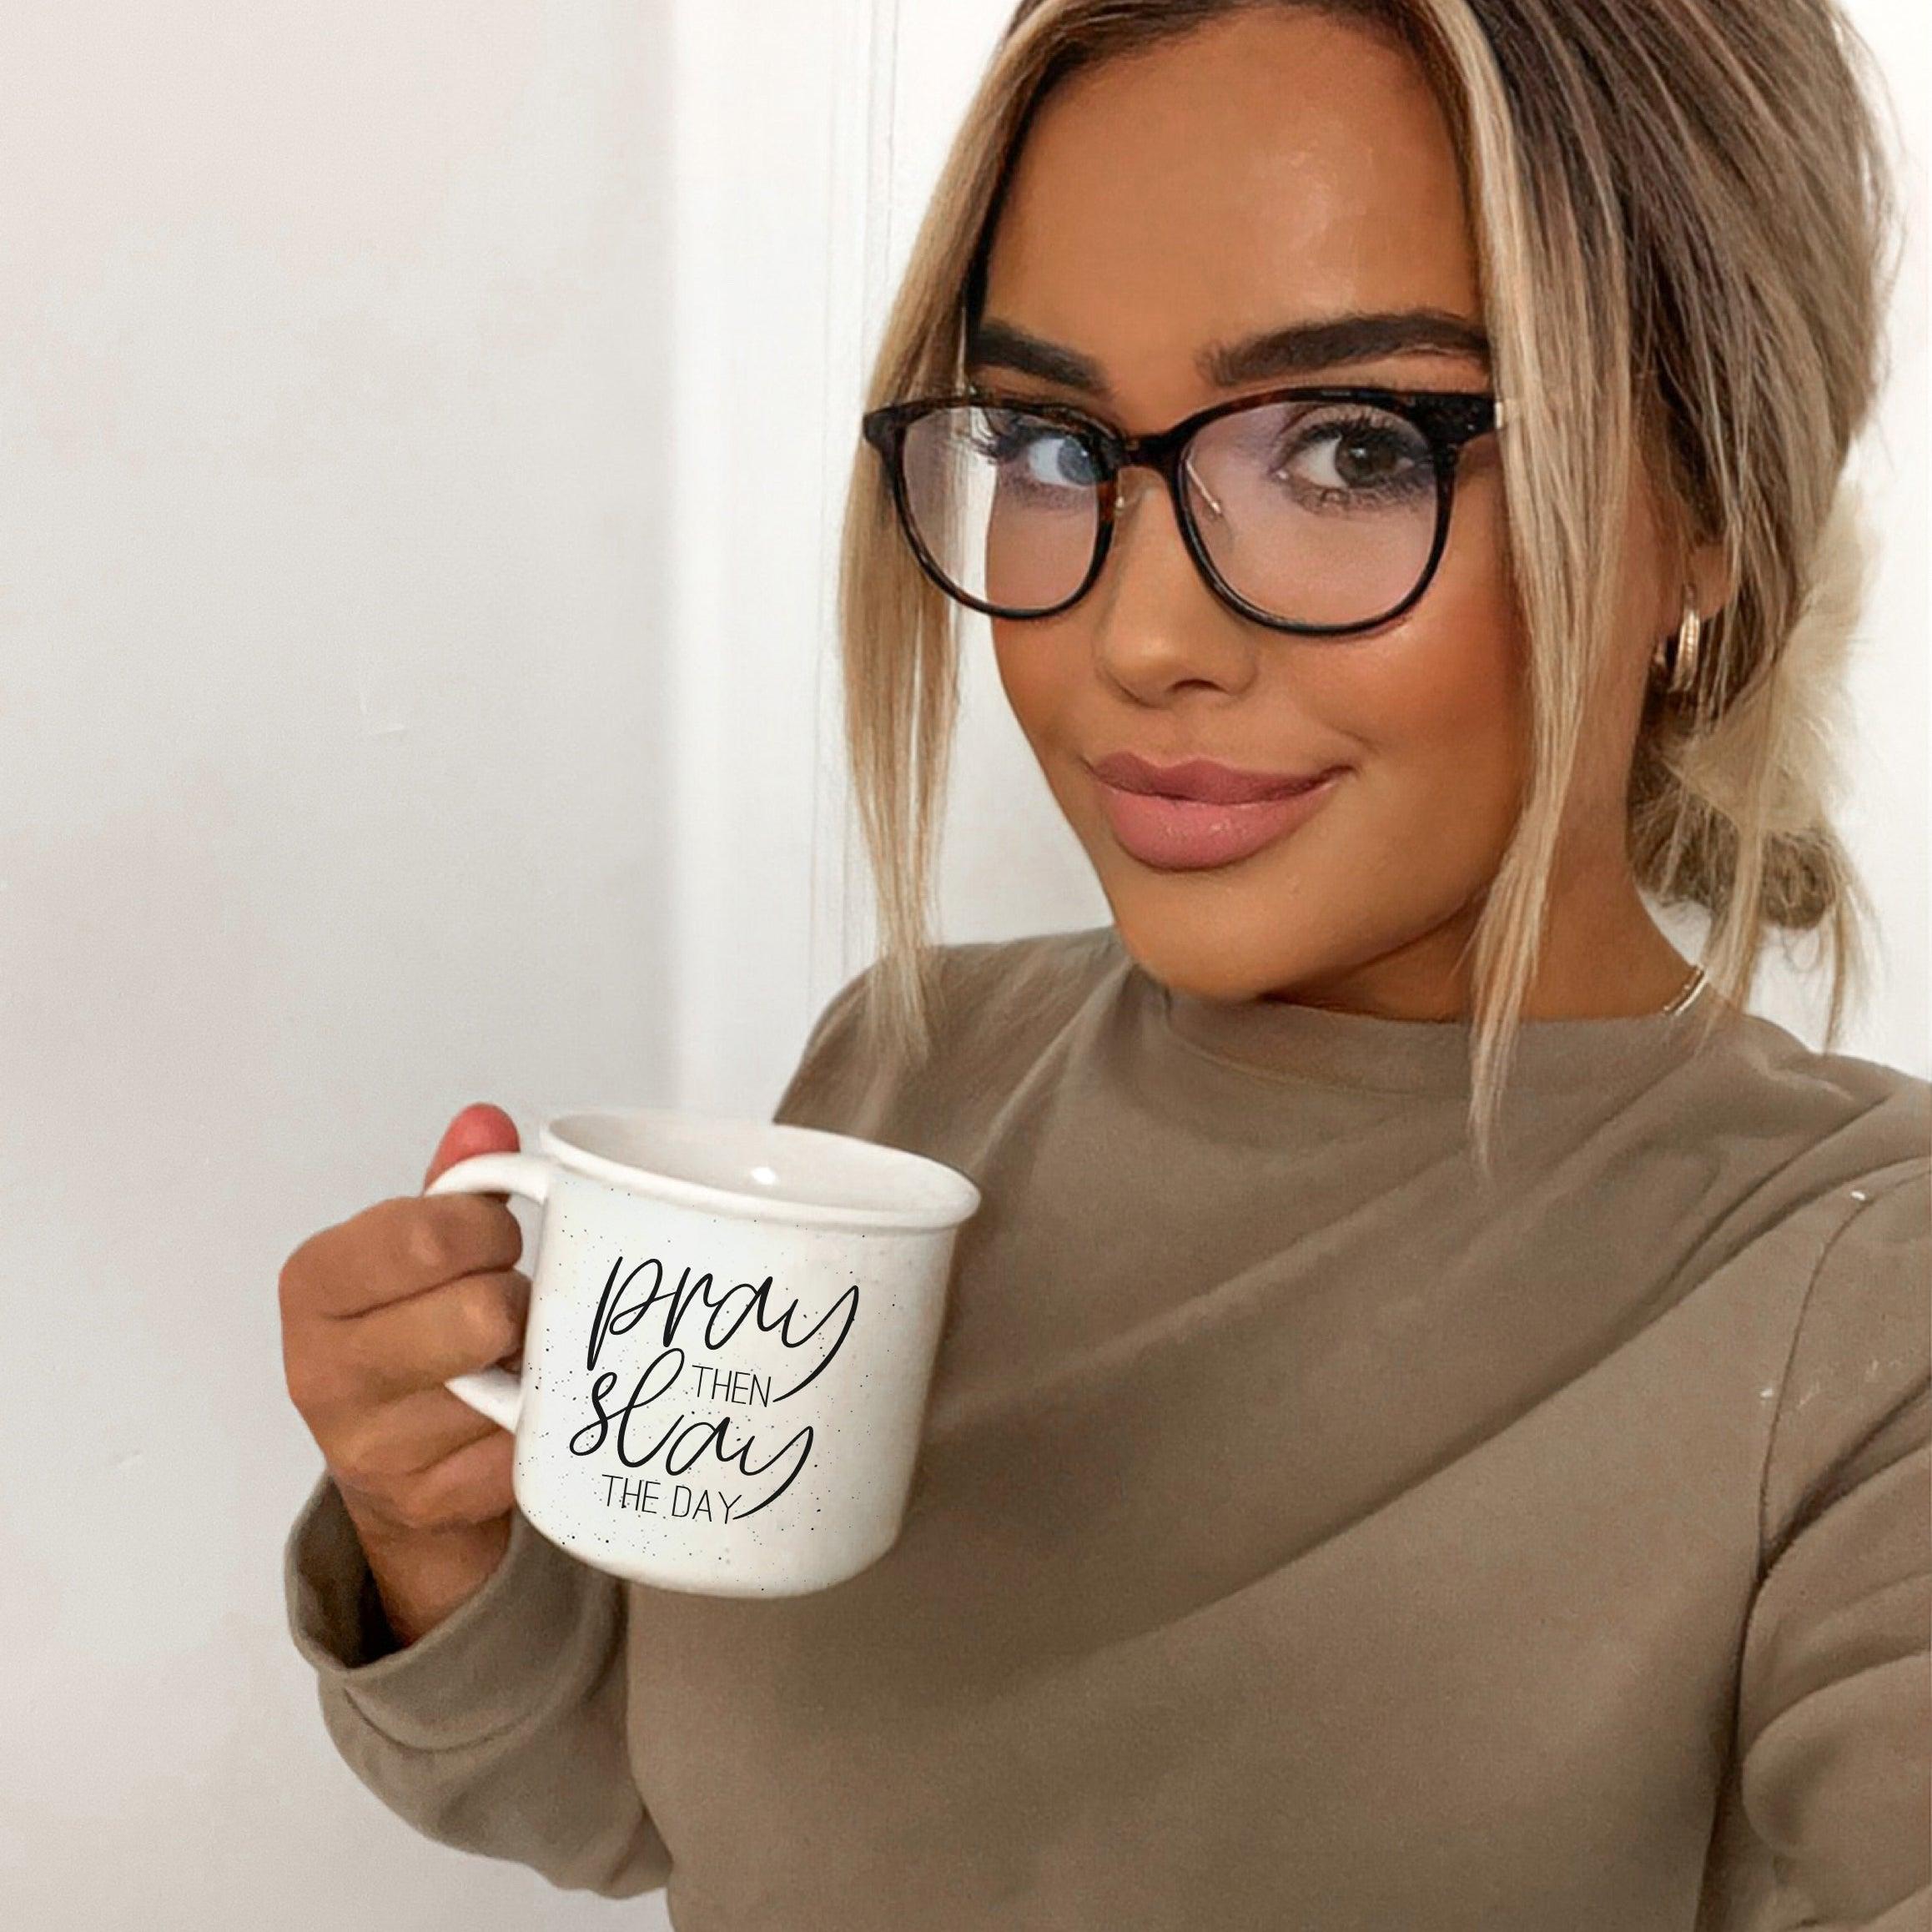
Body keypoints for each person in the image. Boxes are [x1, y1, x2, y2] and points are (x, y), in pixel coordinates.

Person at [278, 2, 1929, 1926]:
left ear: (1715, 508)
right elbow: (651, 1805)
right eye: (1052, 441)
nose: (1140, 637)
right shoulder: (912, 1075)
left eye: (1353, 447)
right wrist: (434, 1525)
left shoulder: (1868, 1304)